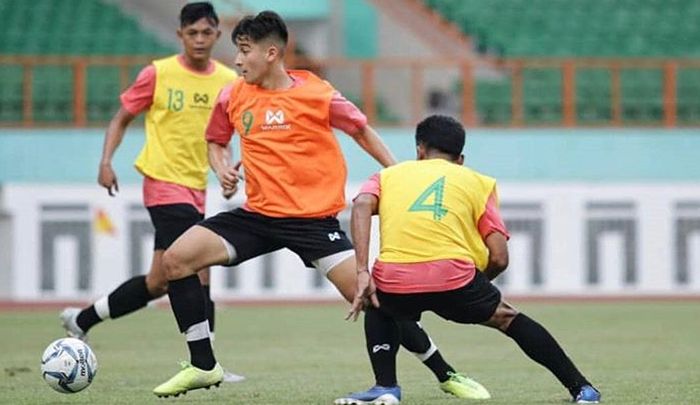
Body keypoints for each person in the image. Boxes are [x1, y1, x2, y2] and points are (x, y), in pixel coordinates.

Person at [152, 11, 488, 399]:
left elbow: (361, 130)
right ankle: (203, 365)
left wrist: (398, 177)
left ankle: (445, 373)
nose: (238, 61)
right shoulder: (232, 94)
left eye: (245, 51)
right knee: (175, 261)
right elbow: (215, 140)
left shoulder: (317, 94)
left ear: (272, 53)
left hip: (313, 223)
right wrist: (223, 166)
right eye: (237, 52)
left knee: (375, 298)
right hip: (257, 216)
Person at [336, 115, 602, 404]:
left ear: (419, 150)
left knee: (378, 303)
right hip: (457, 279)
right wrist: (473, 287)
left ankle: (385, 388)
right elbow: (499, 257)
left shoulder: (388, 176)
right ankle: (582, 389)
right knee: (509, 318)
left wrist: (362, 270)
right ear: (460, 158)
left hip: (397, 280)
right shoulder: (478, 182)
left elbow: (361, 203)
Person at [59, 2, 244, 383]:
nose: (198, 39)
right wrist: (106, 161)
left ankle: (82, 318)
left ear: (216, 35)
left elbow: (222, 139)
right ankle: (208, 364)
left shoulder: (228, 81)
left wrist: (224, 172)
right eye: (191, 32)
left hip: (195, 186)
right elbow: (122, 117)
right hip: (162, 183)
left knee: (159, 280)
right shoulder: (158, 73)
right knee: (200, 266)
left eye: (206, 32)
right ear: (180, 35)